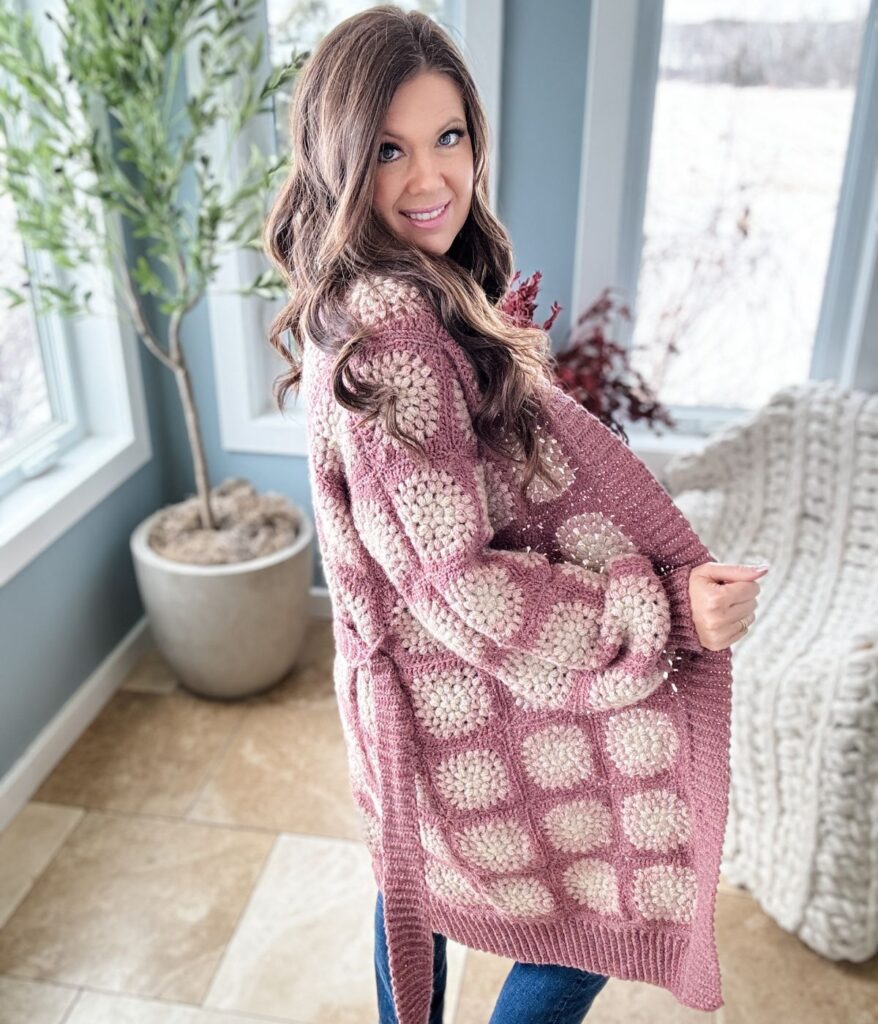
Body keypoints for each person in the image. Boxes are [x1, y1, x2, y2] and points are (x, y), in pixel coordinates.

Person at [263, 7, 766, 1023]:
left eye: (448, 138)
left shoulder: (377, 294)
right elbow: (459, 581)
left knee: (414, 879)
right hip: (445, 709)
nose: (426, 180)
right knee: (590, 918)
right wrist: (657, 609)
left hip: (399, 703)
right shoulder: (389, 336)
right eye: (387, 151)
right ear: (336, 158)